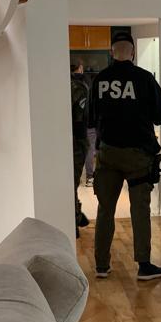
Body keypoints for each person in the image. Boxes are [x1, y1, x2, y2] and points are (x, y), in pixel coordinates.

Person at [90, 31, 161, 281]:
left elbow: (90, 118)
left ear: (111, 52)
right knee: (140, 210)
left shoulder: (100, 80)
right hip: (138, 156)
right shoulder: (144, 79)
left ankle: (101, 265)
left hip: (108, 154)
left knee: (105, 210)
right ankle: (144, 265)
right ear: (133, 52)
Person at [70, 61, 91, 237]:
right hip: (78, 139)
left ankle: (76, 214)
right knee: (72, 180)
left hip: (69, 139)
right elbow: (81, 117)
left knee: (70, 180)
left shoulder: (61, 84)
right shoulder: (80, 86)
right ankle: (73, 219)